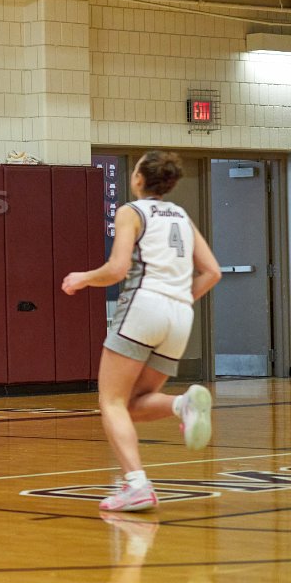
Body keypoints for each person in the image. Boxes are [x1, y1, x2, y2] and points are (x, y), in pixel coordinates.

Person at [62, 151, 221, 512]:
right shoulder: (181, 215)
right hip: (180, 315)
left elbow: (117, 269)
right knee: (132, 404)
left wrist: (83, 278)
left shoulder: (131, 212)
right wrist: (180, 298)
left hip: (144, 306)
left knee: (111, 402)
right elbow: (212, 272)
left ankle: (136, 485)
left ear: (138, 179)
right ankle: (182, 405)